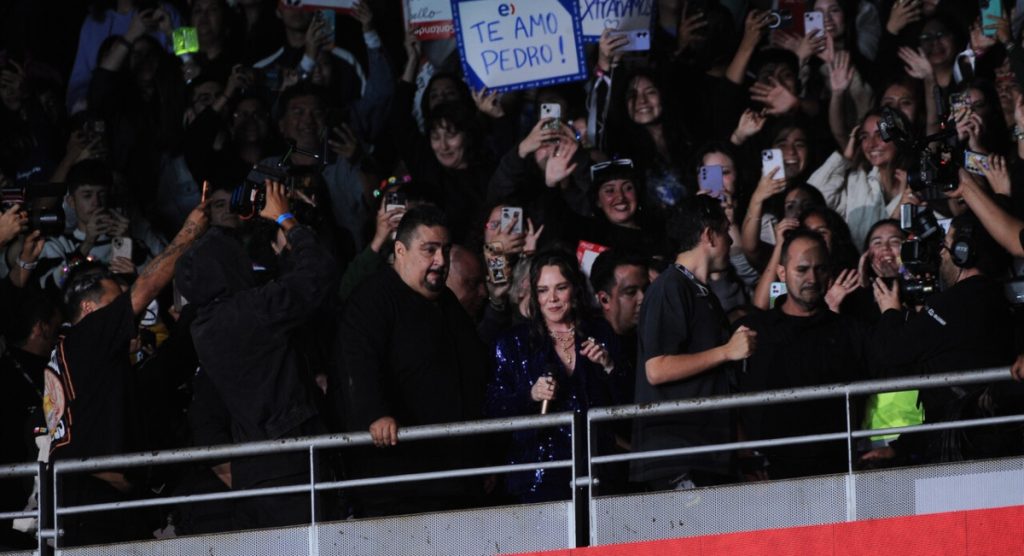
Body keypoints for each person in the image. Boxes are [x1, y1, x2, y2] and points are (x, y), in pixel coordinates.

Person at [174, 180, 338, 529]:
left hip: (255, 467)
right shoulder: (248, 312)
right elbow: (318, 274)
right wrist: (286, 219)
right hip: (291, 465)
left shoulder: (205, 324)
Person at [42, 201, 208, 545]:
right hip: (91, 502)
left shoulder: (84, 360)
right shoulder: (83, 337)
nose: (128, 319)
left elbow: (164, 371)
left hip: (98, 500)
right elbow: (145, 288)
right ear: (89, 309)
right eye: (116, 305)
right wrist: (190, 231)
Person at [335, 204, 488, 516]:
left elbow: (474, 367)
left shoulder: (447, 302)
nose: (441, 261)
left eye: (445, 250)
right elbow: (357, 363)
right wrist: (374, 414)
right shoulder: (371, 300)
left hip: (456, 475)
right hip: (396, 484)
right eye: (429, 250)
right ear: (400, 250)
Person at [870, 211, 1021, 463]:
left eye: (947, 246)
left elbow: (889, 351)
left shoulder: (956, 302)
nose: (941, 254)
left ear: (963, 253)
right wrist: (901, 447)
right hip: (988, 440)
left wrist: (890, 311)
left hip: (962, 451)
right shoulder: (997, 298)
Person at [631, 195, 757, 491]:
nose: (730, 240)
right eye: (725, 231)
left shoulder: (703, 293)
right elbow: (657, 369)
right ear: (709, 235)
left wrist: (742, 447)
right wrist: (727, 351)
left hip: (709, 450)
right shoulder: (669, 287)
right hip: (677, 455)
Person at [485, 250, 619, 502]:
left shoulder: (600, 332)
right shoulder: (513, 343)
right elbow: (494, 408)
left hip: (596, 470)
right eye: (543, 290)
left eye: (561, 288)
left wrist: (609, 365)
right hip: (537, 476)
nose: (553, 299)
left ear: (575, 289)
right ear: (534, 295)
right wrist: (530, 395)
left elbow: (626, 399)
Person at [736, 230, 871, 479]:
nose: (812, 278)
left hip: (838, 469)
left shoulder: (851, 331)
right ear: (782, 273)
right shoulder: (753, 331)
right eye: (802, 269)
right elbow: (727, 397)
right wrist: (746, 454)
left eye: (820, 269)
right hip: (768, 473)